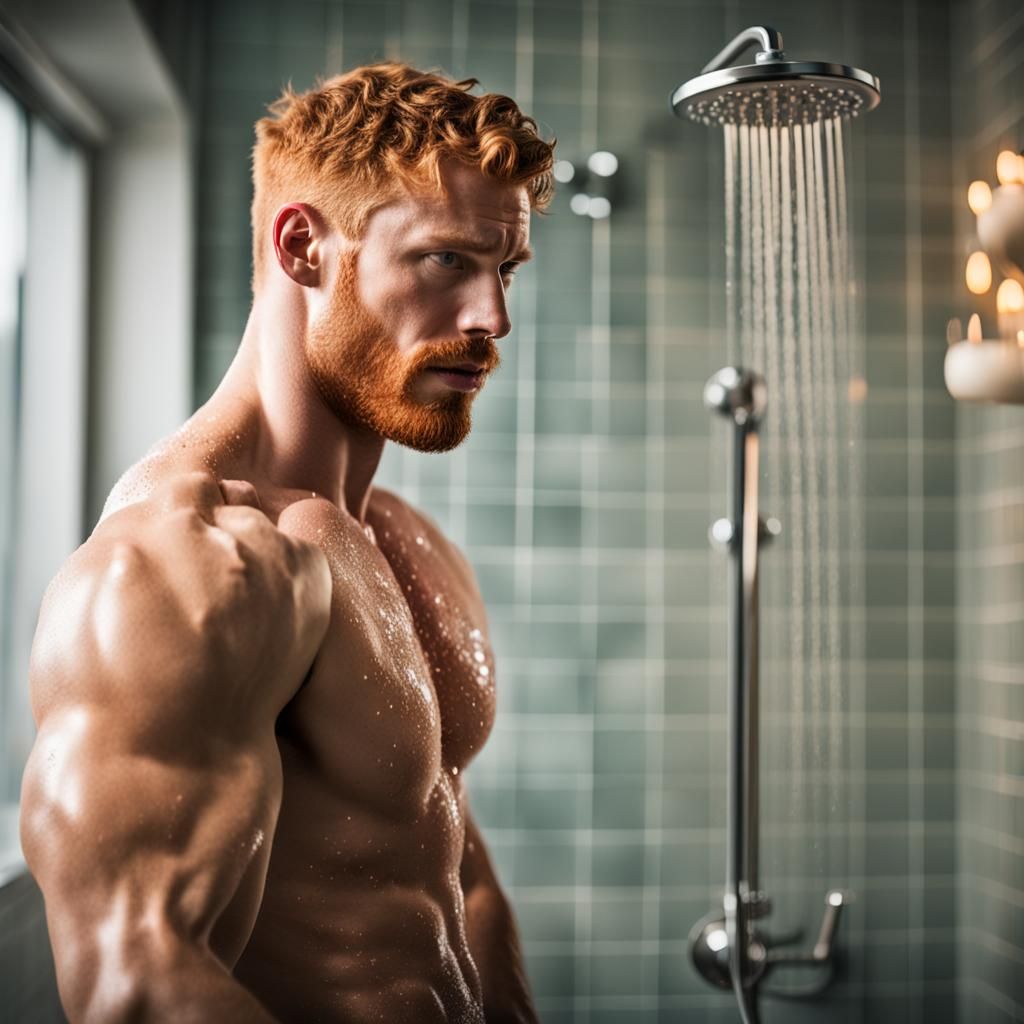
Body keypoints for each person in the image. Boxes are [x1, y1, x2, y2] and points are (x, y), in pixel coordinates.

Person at [20, 63, 554, 1023]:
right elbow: (139, 985)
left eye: (502, 269)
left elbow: (458, 876)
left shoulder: (403, 544)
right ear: (304, 246)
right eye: (445, 262)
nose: (492, 321)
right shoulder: (174, 565)